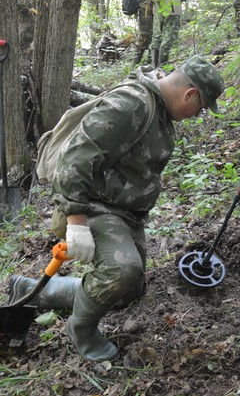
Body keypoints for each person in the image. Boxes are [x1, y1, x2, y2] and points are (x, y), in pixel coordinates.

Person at [8, 57, 225, 362]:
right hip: (91, 206)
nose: (196, 115)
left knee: (127, 291)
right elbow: (75, 160)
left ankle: (31, 289)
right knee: (122, 270)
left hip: (122, 212)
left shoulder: (159, 110)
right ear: (189, 94)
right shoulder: (131, 105)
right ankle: (81, 330)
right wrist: (77, 222)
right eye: (200, 107)